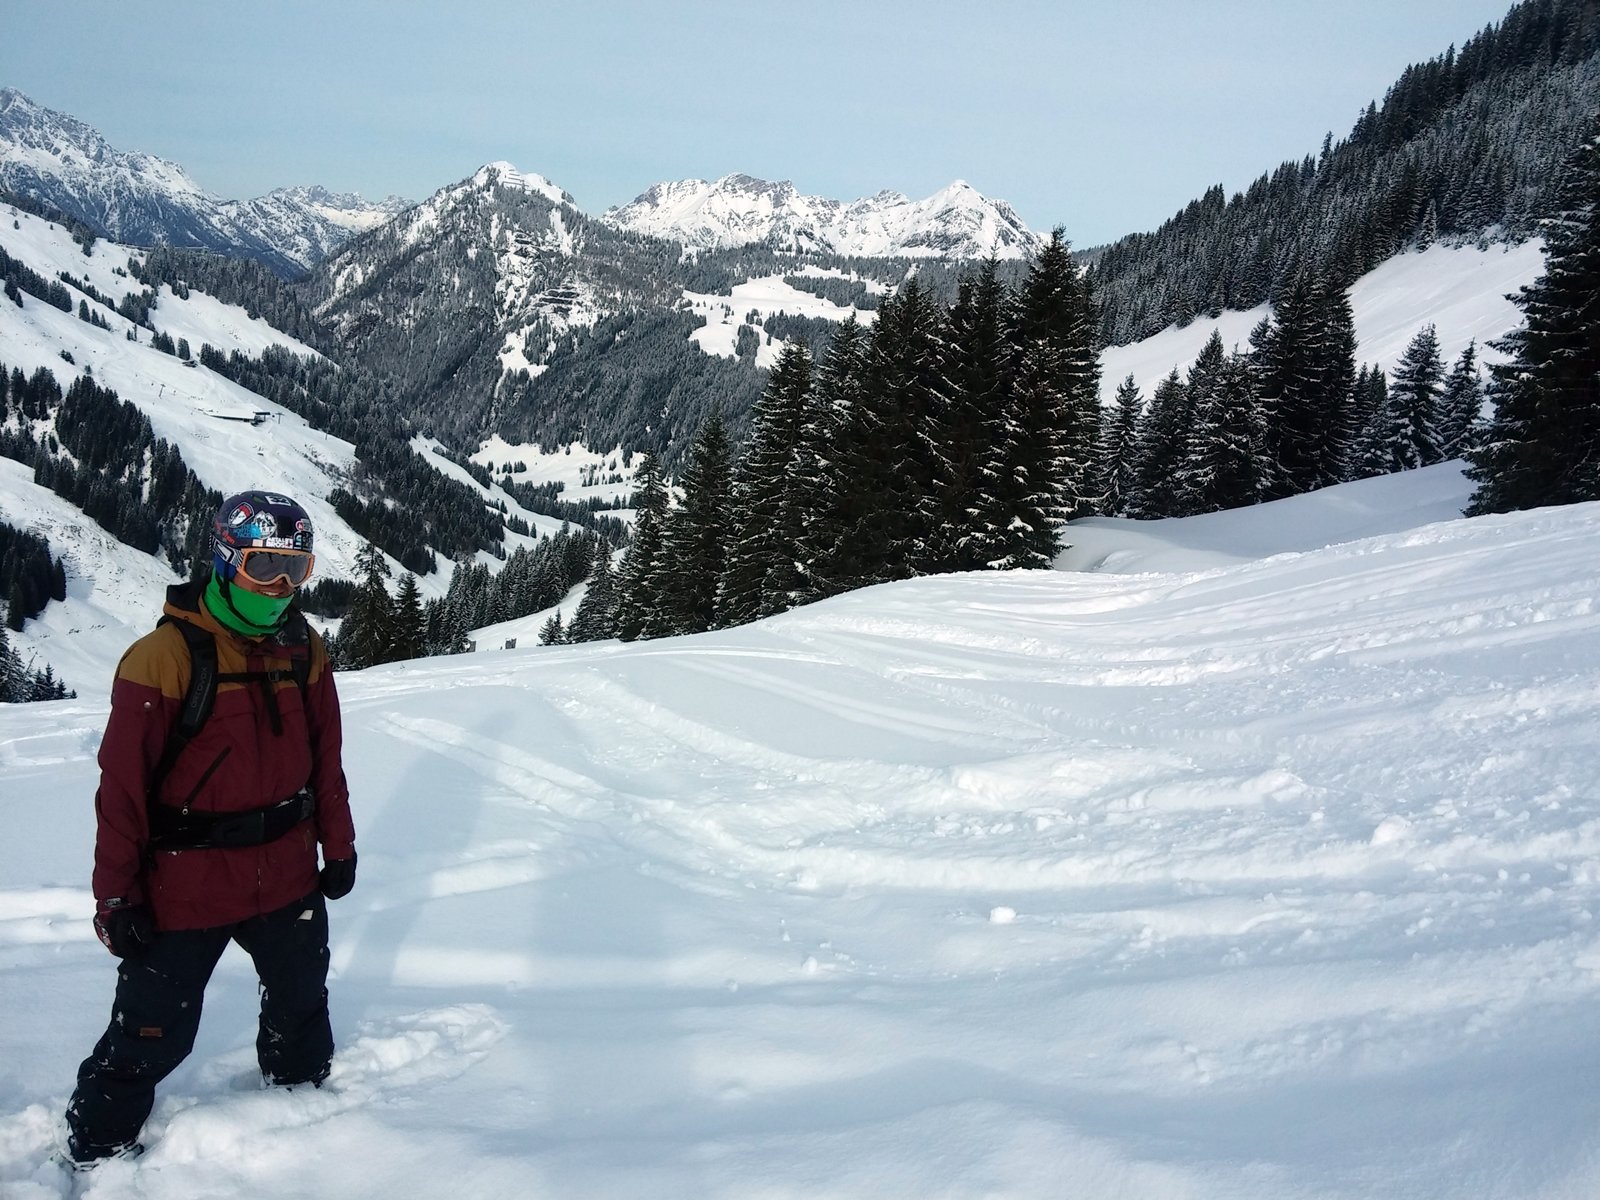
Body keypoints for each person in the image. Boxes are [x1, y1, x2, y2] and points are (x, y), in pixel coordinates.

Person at [64, 490, 357, 1165]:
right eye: (264, 568)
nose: (281, 588)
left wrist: (336, 846)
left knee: (301, 1005)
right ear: (226, 561)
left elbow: (326, 759)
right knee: (151, 1032)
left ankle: (309, 1116)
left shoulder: (302, 650)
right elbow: (122, 794)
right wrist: (116, 896)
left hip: (284, 872)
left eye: (297, 570)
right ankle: (97, 1146)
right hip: (185, 885)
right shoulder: (162, 659)